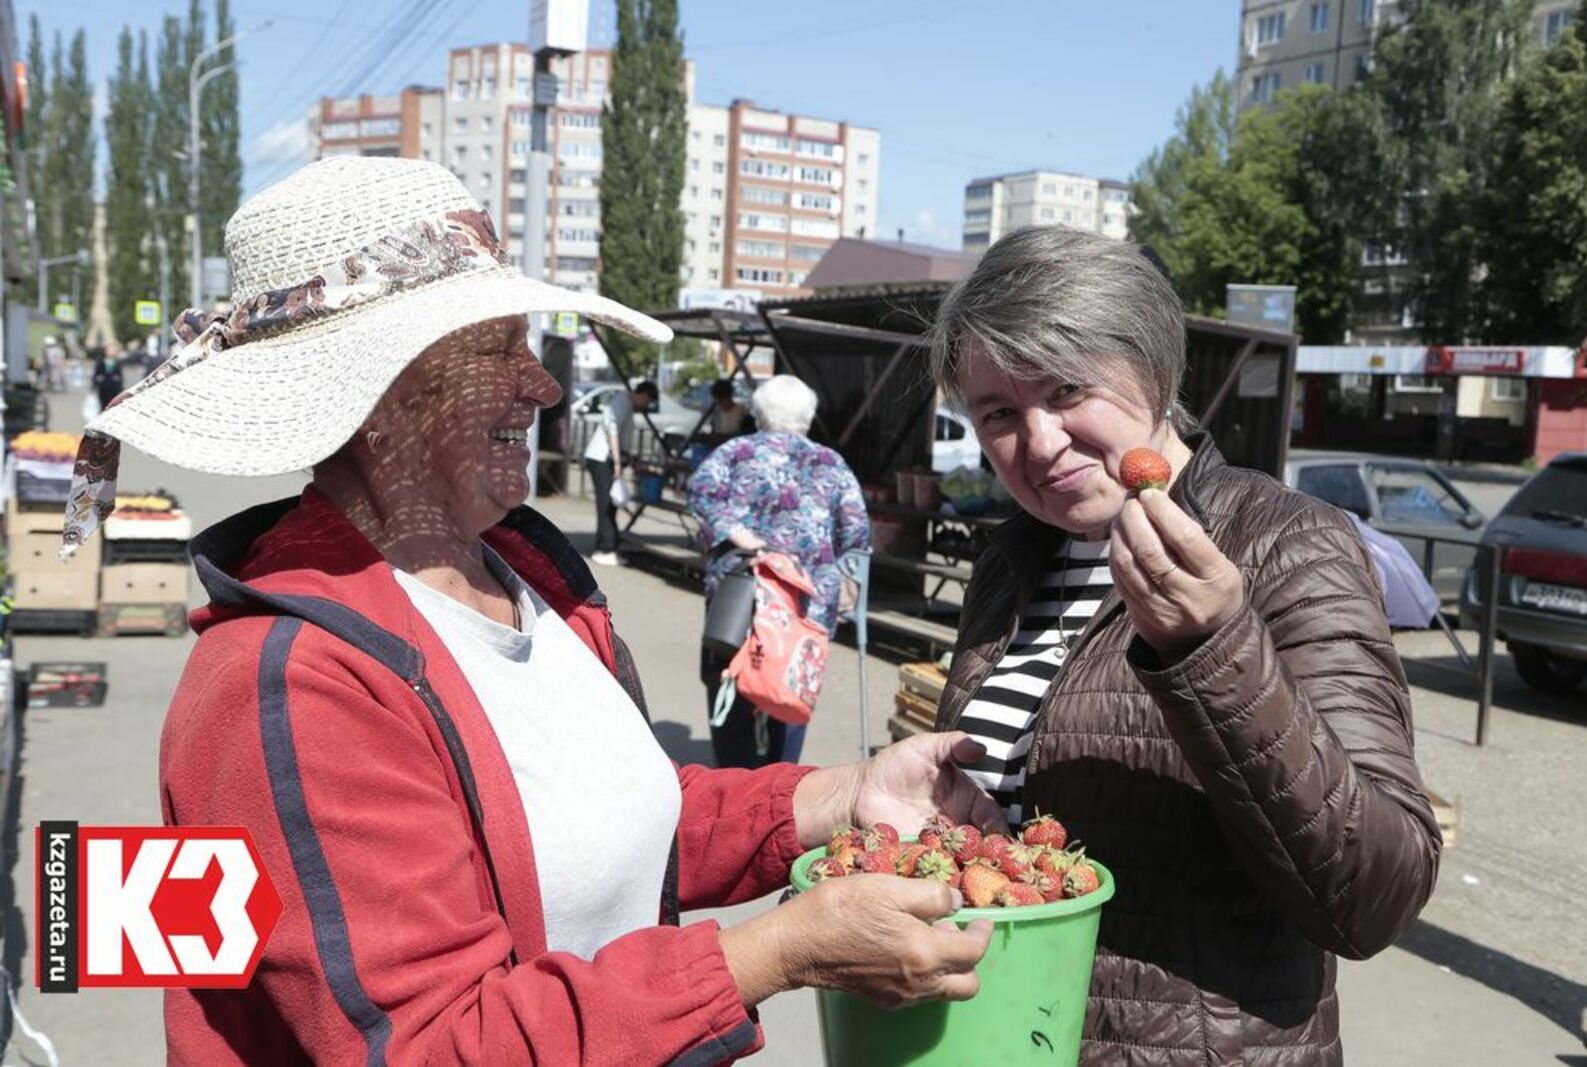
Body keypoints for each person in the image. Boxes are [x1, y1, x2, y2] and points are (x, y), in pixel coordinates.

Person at [65, 157, 999, 1064]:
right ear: (375, 396)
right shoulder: (290, 682)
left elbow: (613, 822)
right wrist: (773, 952)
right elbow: (436, 1046)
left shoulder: (526, 577)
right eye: (492, 346)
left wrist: (846, 797)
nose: (542, 383)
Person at [926, 226, 1441, 1063]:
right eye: (999, 413)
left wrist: (1215, 648)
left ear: (1155, 369)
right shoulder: (1011, 556)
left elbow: (1375, 895)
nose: (1040, 441)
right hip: (1008, 1037)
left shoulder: (1285, 542)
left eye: (1065, 389)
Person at [687, 375, 871, 768]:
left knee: (732, 682)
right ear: (808, 416)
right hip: (805, 599)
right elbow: (856, 530)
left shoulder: (734, 452)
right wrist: (849, 583)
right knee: (790, 692)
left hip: (740, 590)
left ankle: (734, 786)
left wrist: (735, 533)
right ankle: (779, 786)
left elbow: (699, 491)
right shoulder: (829, 462)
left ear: (757, 413)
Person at [583, 378, 658, 566]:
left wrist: (627, 460)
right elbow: (613, 430)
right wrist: (617, 462)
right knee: (606, 504)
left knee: (610, 504)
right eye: (647, 401)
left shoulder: (624, 402)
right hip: (602, 458)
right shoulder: (622, 402)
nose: (646, 406)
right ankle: (604, 548)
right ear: (643, 395)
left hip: (605, 458)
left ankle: (609, 545)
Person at [90, 346, 124, 413]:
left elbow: (120, 375)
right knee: (103, 405)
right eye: (109, 350)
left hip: (114, 387)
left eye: (113, 351)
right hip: (103, 387)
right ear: (105, 352)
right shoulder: (100, 361)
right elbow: (96, 374)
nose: (111, 352)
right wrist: (95, 384)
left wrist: (120, 387)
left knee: (114, 405)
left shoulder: (117, 362)